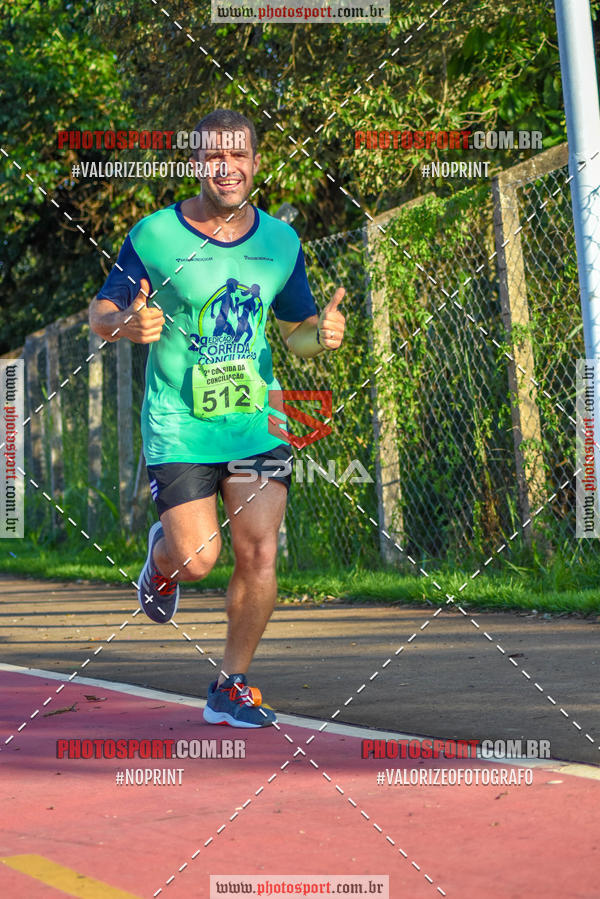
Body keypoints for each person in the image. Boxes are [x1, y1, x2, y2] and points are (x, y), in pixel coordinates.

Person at [89, 108, 345, 728]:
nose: (226, 168)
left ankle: (231, 686)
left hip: (257, 420)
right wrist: (126, 324)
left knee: (259, 552)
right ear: (196, 163)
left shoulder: (280, 244)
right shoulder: (155, 236)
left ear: (256, 162)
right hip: (179, 423)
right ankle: (161, 563)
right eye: (213, 156)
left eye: (237, 155)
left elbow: (296, 332)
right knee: (197, 559)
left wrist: (321, 336)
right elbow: (101, 312)